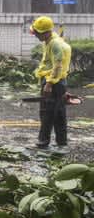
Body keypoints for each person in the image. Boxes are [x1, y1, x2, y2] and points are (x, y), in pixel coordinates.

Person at [30, 16, 72, 150]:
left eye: (37, 33)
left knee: (47, 112)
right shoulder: (50, 40)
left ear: (46, 32)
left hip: (53, 81)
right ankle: (61, 142)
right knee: (58, 112)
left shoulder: (54, 44)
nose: (35, 35)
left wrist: (49, 84)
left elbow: (58, 65)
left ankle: (43, 142)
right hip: (59, 81)